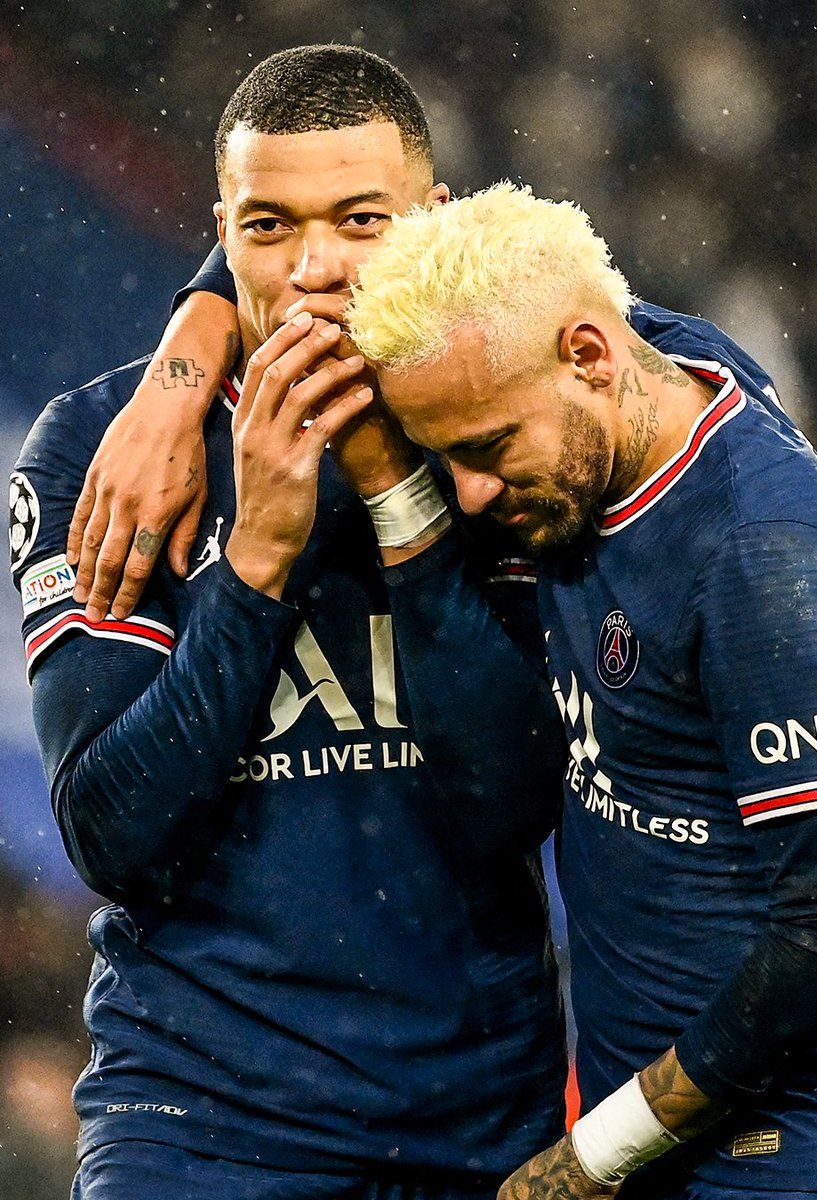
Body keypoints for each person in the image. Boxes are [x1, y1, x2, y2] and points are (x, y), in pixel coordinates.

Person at [11, 52, 569, 1200]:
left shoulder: (496, 429)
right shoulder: (105, 450)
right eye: (269, 228)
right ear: (224, 234)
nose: (315, 269)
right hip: (198, 1122)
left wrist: (399, 500)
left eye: (362, 222)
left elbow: (514, 800)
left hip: (479, 1117)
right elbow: (112, 839)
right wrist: (255, 559)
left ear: (432, 221)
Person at [342, 182, 817, 1199]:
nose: (471, 494)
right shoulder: (651, 354)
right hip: (680, 1154)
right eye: (445, 456)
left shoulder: (764, 563)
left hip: (805, 1163)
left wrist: (594, 1155)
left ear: (591, 357)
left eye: (489, 445)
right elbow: (511, 263)